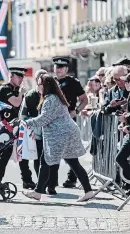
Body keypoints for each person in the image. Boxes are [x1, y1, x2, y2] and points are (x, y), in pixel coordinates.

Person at [22, 74, 94, 202]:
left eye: (39, 84)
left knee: (47, 160)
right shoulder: (53, 97)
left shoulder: (51, 100)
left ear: (45, 86)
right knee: (70, 162)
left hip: (61, 135)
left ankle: (38, 192)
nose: (37, 87)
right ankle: (88, 190)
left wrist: (27, 123)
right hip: (64, 134)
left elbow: (44, 119)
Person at [0, 67, 36, 189]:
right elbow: (16, 103)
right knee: (5, 154)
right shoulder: (4, 89)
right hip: (7, 125)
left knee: (23, 153)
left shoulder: (18, 90)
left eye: (22, 77)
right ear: (11, 76)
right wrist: (21, 93)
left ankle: (27, 180)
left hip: (19, 124)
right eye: (19, 76)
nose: (21, 79)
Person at [20, 69, 58, 194]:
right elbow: (23, 115)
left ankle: (51, 185)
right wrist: (33, 123)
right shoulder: (30, 96)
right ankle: (42, 184)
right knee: (39, 160)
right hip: (37, 134)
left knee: (52, 160)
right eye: (40, 80)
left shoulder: (54, 96)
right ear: (37, 81)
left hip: (52, 133)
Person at [53, 56, 88, 188]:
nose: (58, 69)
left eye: (61, 67)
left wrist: (76, 111)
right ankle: (52, 181)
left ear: (66, 69)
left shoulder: (73, 82)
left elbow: (85, 100)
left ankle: (72, 178)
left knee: (70, 150)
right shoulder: (50, 82)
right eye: (57, 67)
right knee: (53, 150)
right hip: (53, 121)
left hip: (68, 120)